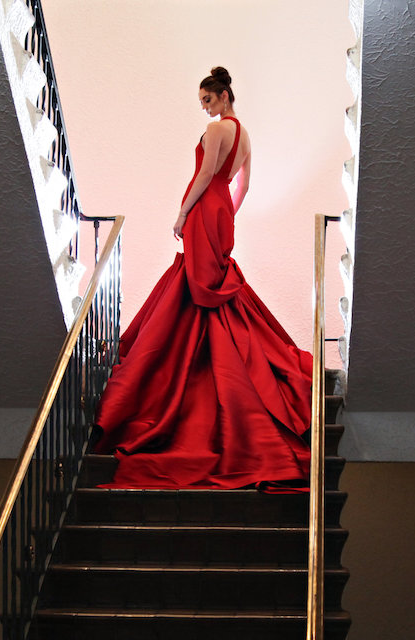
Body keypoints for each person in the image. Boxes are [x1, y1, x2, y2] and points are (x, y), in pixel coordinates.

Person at [93, 67, 313, 490]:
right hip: (222, 213)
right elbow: (241, 186)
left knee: (197, 284)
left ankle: (190, 357)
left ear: (224, 95)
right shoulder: (245, 136)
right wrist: (224, 212)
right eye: (203, 104)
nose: (206, 109)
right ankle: (208, 349)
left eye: (208, 101)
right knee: (208, 282)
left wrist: (183, 212)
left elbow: (205, 173)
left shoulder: (217, 131)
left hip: (203, 210)